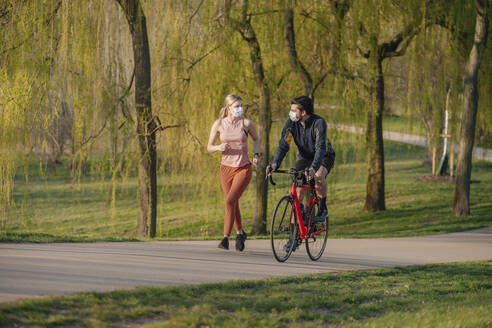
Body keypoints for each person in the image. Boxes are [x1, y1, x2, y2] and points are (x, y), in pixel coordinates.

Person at [267, 95, 335, 223]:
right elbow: (283, 145)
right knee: (297, 195)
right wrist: (275, 163)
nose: (290, 113)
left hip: (324, 156)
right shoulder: (291, 123)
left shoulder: (319, 123)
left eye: (294, 111)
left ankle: (322, 207)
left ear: (303, 112)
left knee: (319, 176)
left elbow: (320, 148)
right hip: (305, 157)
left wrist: (313, 169)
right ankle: (294, 236)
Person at [207, 94, 261, 251]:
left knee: (230, 201)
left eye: (241, 106)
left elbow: (256, 140)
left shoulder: (246, 123)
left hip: (243, 167)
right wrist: (219, 148)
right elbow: (209, 147)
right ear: (228, 107)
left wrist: (256, 155)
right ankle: (240, 233)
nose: (240, 109)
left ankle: (225, 238)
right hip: (225, 169)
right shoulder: (218, 124)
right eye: (236, 106)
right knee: (233, 201)